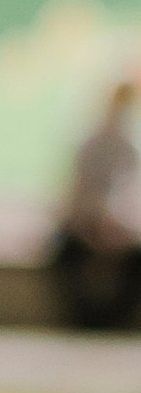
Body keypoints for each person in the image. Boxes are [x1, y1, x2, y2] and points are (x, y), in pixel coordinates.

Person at [52, 77, 141, 333]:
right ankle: (81, 320)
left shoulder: (132, 147)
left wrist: (119, 226)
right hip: (88, 225)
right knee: (65, 253)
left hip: (121, 229)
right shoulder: (89, 143)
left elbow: (128, 196)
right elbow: (79, 193)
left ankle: (116, 320)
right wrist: (93, 224)